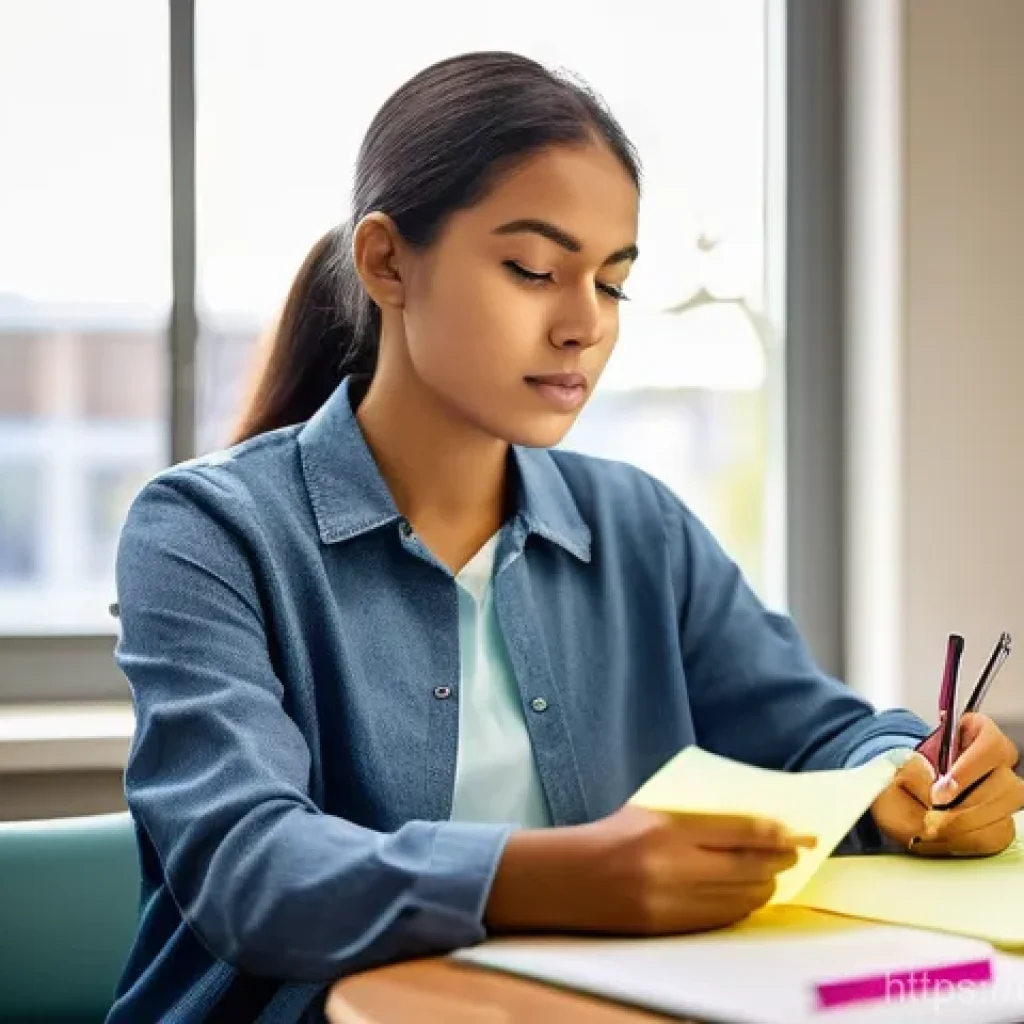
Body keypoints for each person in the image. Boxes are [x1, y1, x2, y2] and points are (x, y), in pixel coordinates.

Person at [106, 51, 1024, 1024]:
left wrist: (908, 774)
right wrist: (549, 875)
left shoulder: (640, 527)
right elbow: (248, 870)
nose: (583, 323)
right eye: (534, 269)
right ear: (387, 263)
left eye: (613, 283)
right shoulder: (206, 531)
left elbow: (822, 732)